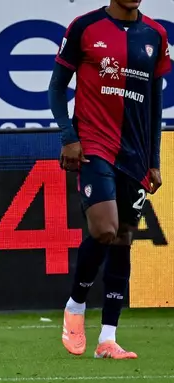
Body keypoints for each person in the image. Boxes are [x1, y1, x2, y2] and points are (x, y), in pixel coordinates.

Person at [49, 0, 170, 359]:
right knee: (104, 229)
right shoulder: (85, 27)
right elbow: (57, 88)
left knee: (122, 239)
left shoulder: (155, 34)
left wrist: (154, 159)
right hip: (93, 145)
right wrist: (69, 136)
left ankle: (108, 338)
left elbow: (154, 102)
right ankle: (75, 307)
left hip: (134, 153)